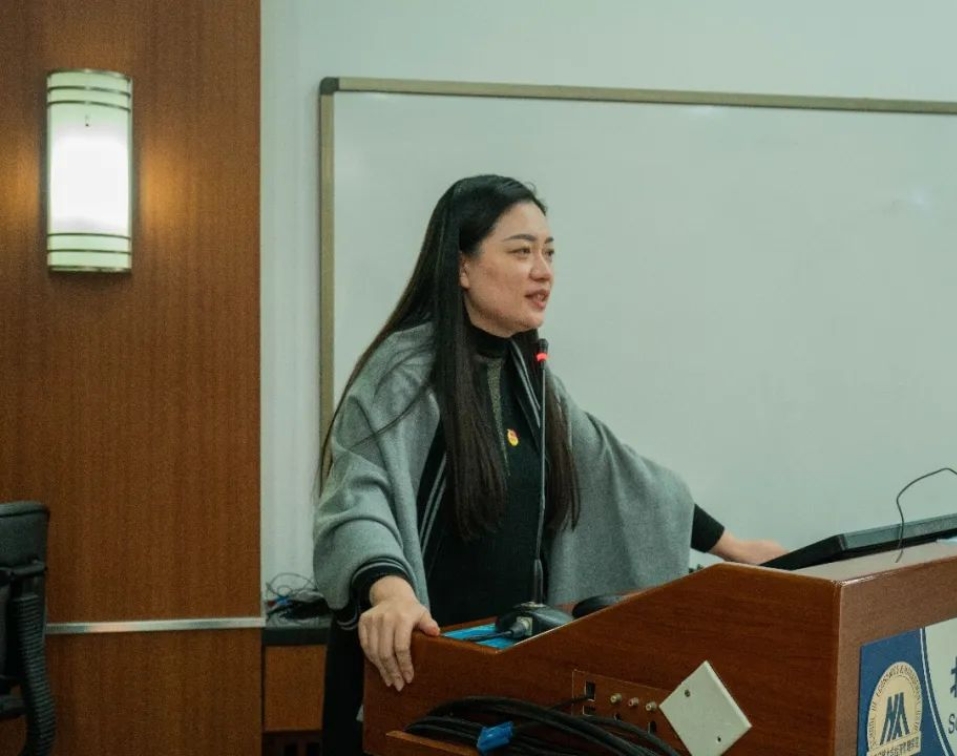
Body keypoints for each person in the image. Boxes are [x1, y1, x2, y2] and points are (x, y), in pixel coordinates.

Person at [313, 174, 786, 755]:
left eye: (549, 253)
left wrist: (734, 549)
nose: (543, 272)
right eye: (522, 252)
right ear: (461, 267)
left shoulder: (531, 376)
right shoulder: (403, 374)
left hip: (503, 678)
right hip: (413, 676)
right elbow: (357, 499)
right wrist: (390, 594)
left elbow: (624, 479)